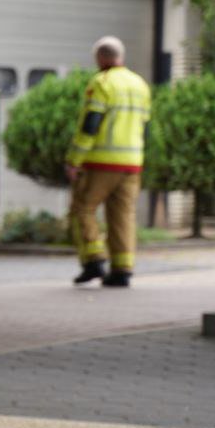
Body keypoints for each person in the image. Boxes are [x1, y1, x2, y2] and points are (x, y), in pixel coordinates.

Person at [65, 36, 152, 288]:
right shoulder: (139, 84)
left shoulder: (102, 83)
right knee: (123, 216)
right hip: (132, 164)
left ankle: (94, 260)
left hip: (101, 163)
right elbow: (144, 128)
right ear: (120, 56)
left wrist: (74, 160)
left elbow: (90, 124)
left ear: (100, 58)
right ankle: (122, 270)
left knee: (82, 209)